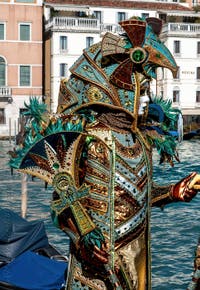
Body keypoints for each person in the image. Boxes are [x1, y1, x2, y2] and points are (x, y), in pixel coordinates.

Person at [10, 17, 200, 289]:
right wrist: (83, 236)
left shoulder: (140, 142)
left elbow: (138, 197)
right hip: (95, 269)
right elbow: (61, 204)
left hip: (135, 261)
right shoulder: (85, 141)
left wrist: (173, 192)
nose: (142, 95)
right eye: (140, 86)